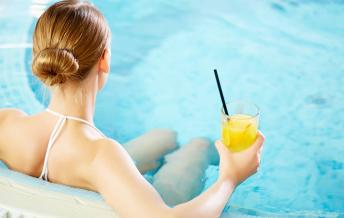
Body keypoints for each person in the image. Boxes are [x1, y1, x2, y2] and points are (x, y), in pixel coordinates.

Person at [0, 1, 265, 217]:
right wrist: (230, 178)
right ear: (104, 60)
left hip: (84, 169)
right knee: (197, 146)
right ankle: (204, 149)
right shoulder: (102, 155)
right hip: (107, 178)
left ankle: (173, 144)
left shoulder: (7, 123)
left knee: (165, 136)